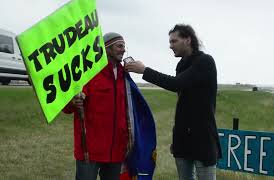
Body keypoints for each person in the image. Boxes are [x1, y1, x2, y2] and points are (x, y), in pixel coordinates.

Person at [125, 24, 222, 180]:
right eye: (170, 42)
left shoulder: (205, 61)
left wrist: (144, 70)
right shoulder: (181, 64)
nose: (170, 46)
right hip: (182, 138)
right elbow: (183, 101)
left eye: (174, 41)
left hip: (203, 137)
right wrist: (177, 138)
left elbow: (176, 83)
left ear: (188, 40)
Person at [63, 32, 129, 180]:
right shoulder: (87, 72)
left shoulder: (125, 75)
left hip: (116, 150)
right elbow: (67, 108)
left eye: (124, 46)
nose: (123, 50)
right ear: (107, 48)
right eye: (120, 46)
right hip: (90, 149)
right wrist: (73, 102)